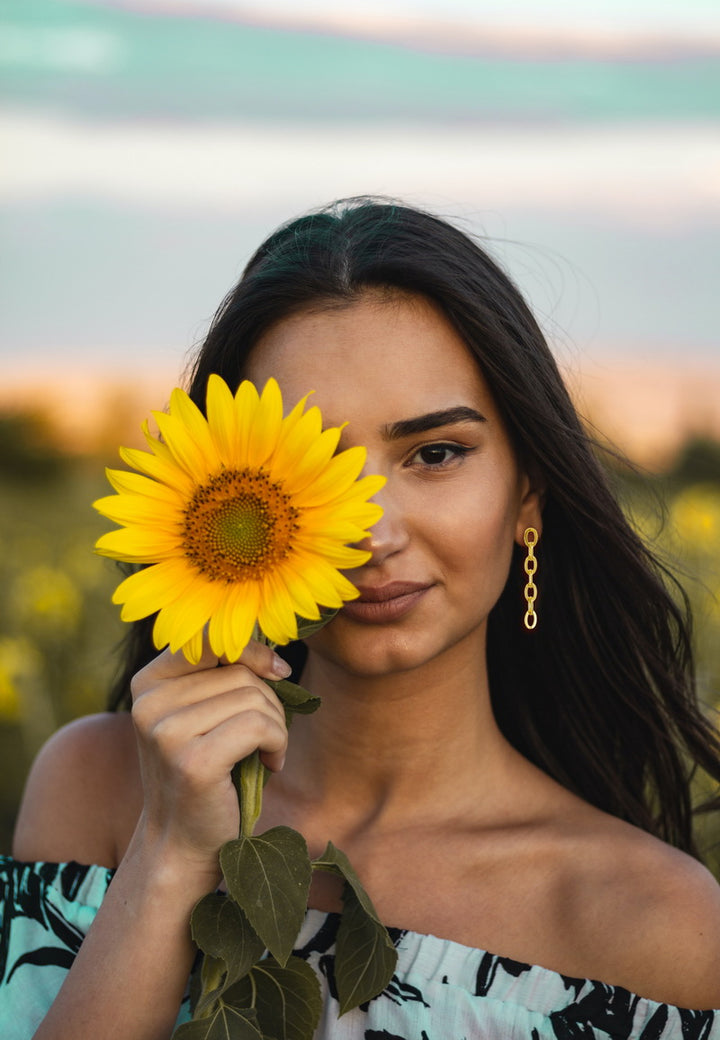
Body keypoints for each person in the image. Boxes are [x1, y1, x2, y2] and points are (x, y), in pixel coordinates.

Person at [2, 197, 720, 1039]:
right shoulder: (98, 788)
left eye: (436, 454)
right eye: (324, 465)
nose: (373, 534)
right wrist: (168, 854)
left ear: (529, 495)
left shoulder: (654, 925)